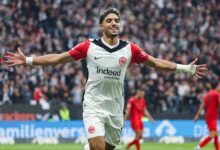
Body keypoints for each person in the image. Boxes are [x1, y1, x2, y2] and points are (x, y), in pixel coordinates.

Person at [4, 8, 207, 150]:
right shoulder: (88, 46)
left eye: (116, 21)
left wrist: (186, 69)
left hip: (115, 108)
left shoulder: (130, 49)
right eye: (109, 20)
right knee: (98, 147)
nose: (114, 23)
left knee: (107, 147)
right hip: (93, 105)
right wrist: (28, 60)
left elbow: (156, 63)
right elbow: (58, 58)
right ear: (102, 25)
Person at [193, 81, 220, 150]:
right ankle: (198, 147)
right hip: (212, 117)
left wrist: (197, 115)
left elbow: (202, 106)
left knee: (216, 135)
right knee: (213, 134)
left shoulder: (208, 94)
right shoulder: (217, 94)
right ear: (217, 86)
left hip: (208, 117)